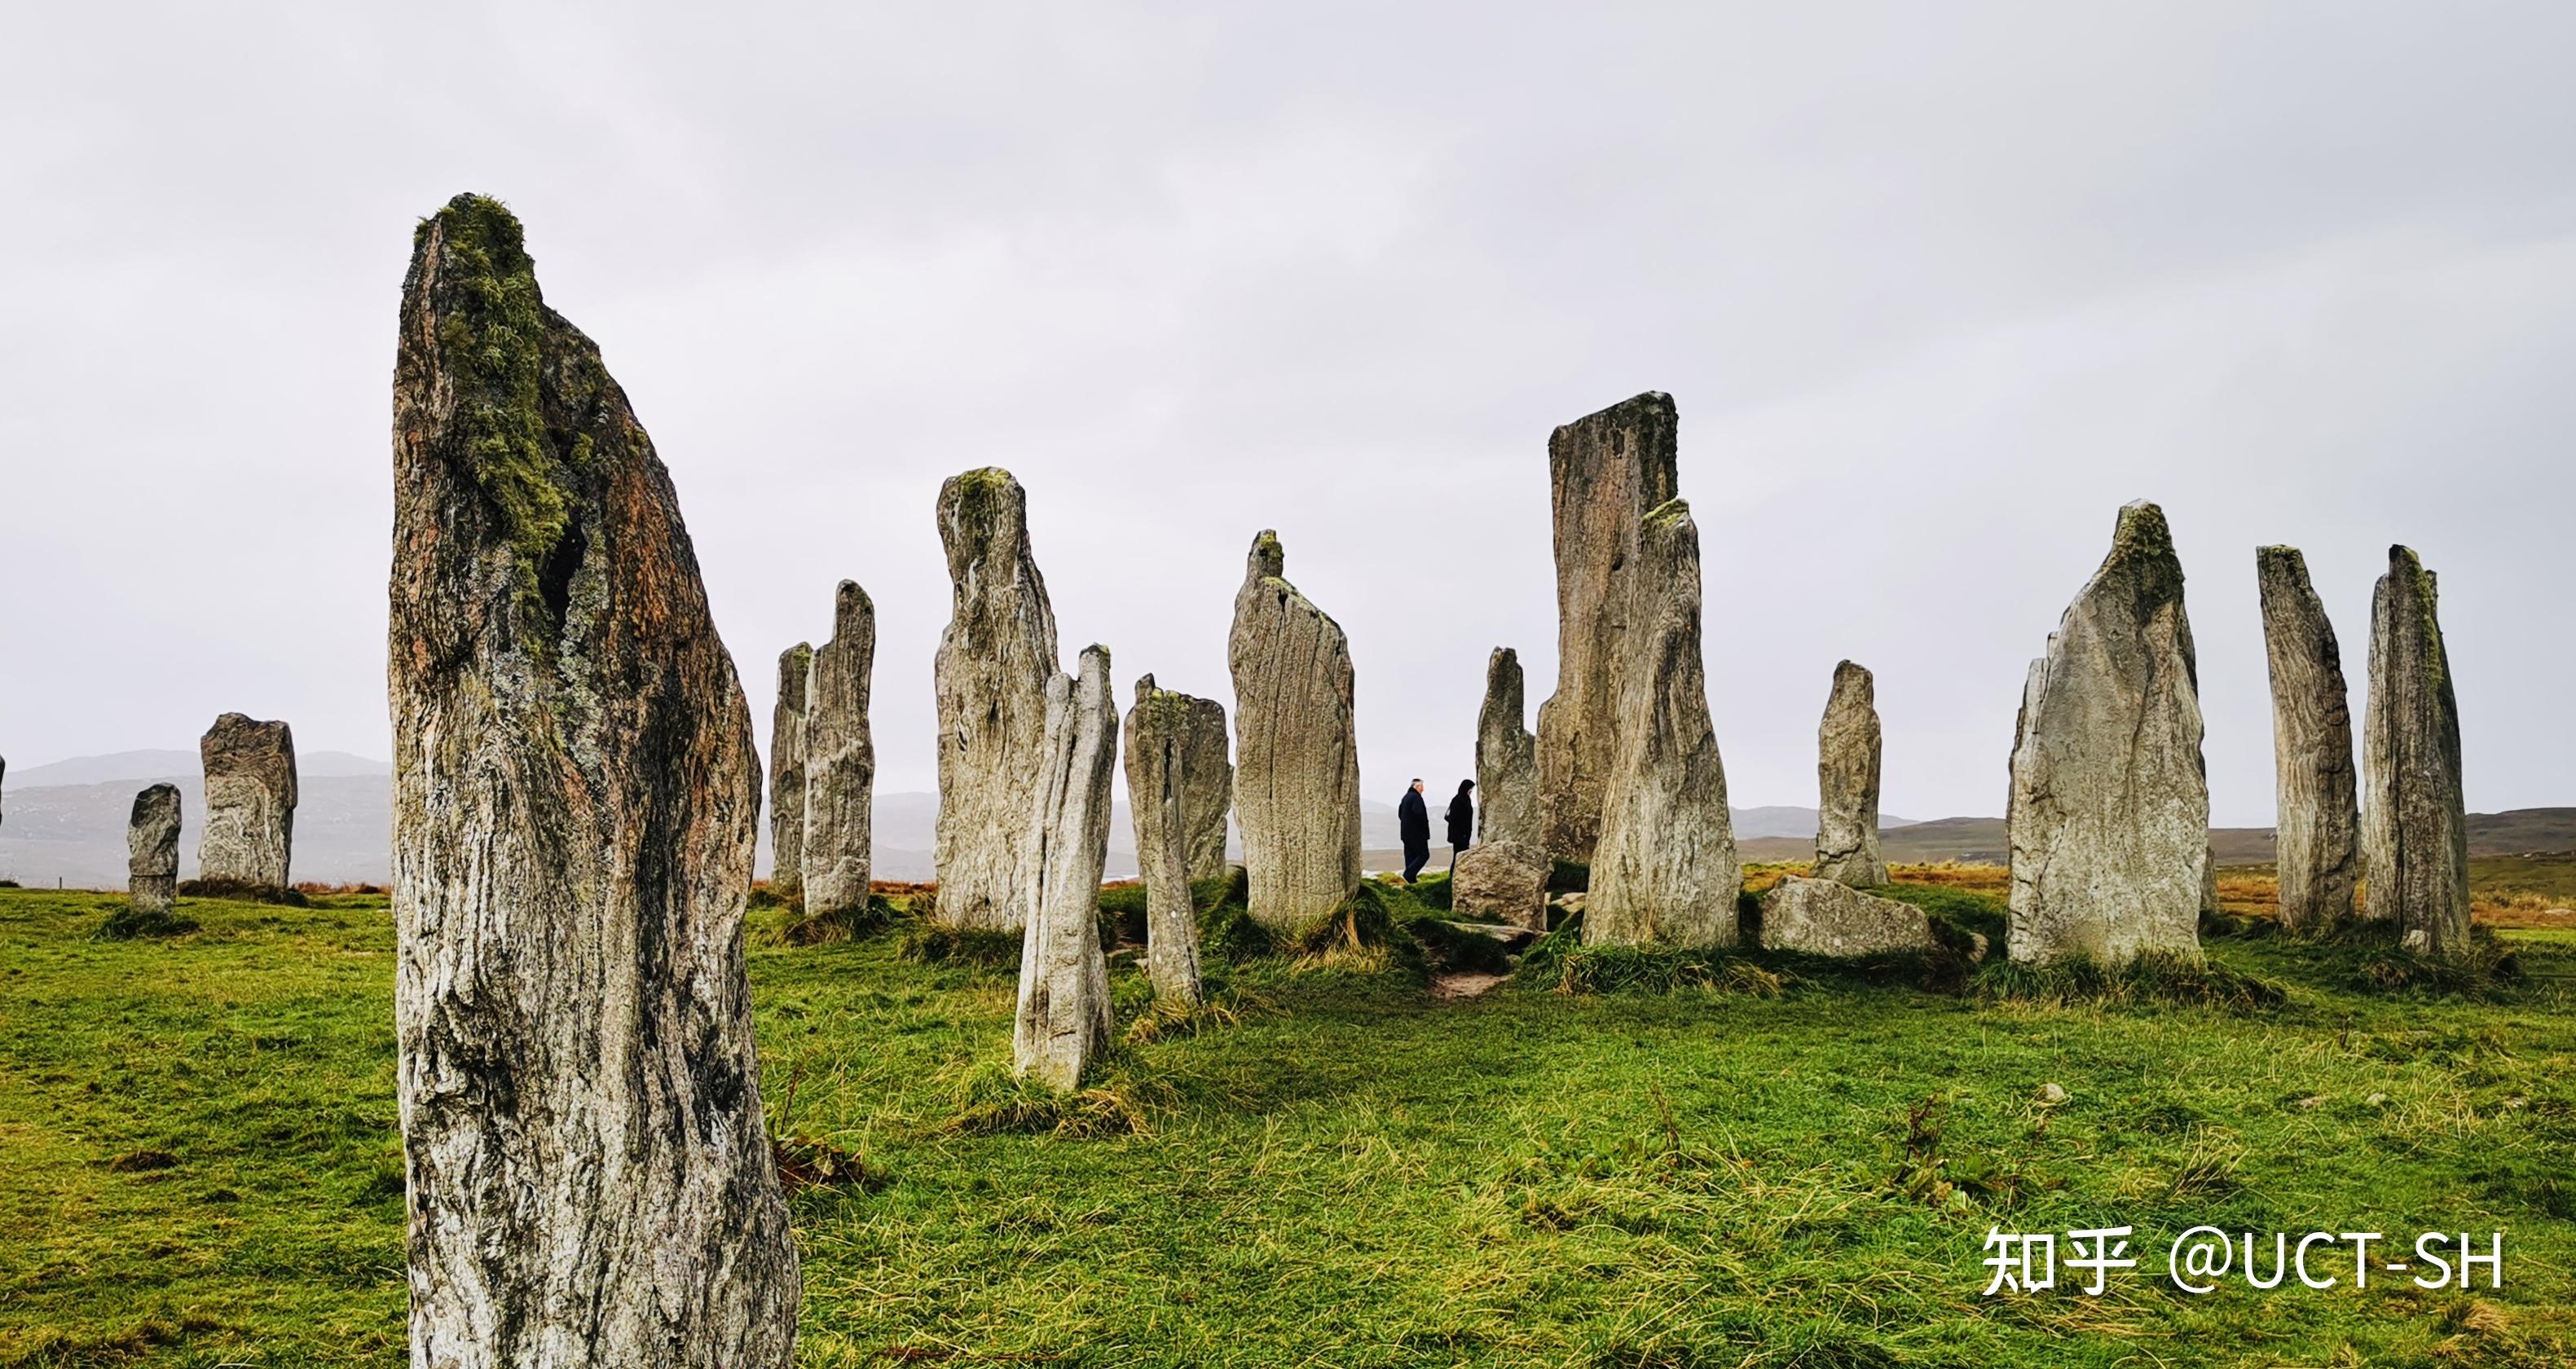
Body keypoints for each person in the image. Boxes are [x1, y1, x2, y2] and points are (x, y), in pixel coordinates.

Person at [1397, 778, 1430, 882]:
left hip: (1406, 833)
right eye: (1422, 787)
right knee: (1424, 854)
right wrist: (1422, 828)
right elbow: (1419, 814)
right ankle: (1408, 874)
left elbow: (1400, 814)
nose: (1423, 789)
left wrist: (1407, 824)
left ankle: (1411, 880)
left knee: (1410, 855)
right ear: (1417, 787)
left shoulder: (1406, 798)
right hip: (1417, 834)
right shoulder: (1416, 798)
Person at [1445, 779, 1475, 877]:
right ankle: (1454, 875)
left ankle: (1456, 875)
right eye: (1470, 789)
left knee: (1460, 855)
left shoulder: (1465, 799)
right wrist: (1462, 831)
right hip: (1459, 835)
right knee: (1459, 855)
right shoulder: (1458, 800)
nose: (1471, 791)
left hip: (1464, 834)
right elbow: (1454, 818)